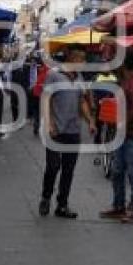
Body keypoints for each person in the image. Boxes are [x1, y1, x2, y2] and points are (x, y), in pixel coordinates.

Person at [39, 47, 96, 219]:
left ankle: (62, 205)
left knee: (68, 170)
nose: (84, 63)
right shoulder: (54, 75)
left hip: (73, 131)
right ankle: (46, 197)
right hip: (56, 129)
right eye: (82, 59)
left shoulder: (78, 78)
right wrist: (49, 124)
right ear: (73, 59)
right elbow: (45, 99)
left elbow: (81, 102)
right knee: (53, 166)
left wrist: (90, 121)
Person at [100, 52, 133, 224]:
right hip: (124, 133)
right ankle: (119, 205)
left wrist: (123, 122)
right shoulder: (124, 80)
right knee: (117, 170)